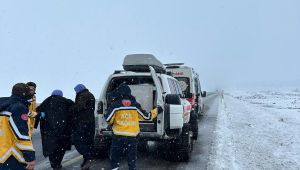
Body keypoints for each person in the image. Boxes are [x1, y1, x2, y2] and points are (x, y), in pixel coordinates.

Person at [104, 83, 158, 170]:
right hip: (132, 136)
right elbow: (146, 117)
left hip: (118, 135)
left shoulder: (115, 105)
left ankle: (115, 168)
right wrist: (157, 110)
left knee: (115, 155)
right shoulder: (135, 105)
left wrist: (112, 121)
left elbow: (108, 119)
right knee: (131, 157)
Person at [35, 90, 74, 170]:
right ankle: (58, 163)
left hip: (49, 131)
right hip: (63, 130)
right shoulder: (66, 101)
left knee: (51, 149)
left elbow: (37, 111)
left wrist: (35, 124)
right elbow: (73, 110)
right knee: (61, 148)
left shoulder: (47, 101)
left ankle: (54, 164)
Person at [0, 83, 35, 170]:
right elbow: (21, 135)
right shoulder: (18, 108)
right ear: (25, 93)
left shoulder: (4, 106)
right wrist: (30, 157)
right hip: (13, 156)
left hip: (2, 154)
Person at [72, 84, 96, 170]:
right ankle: (86, 162)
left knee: (78, 141)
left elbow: (79, 107)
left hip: (83, 122)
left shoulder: (83, 95)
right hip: (90, 122)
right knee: (88, 142)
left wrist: (71, 108)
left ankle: (89, 157)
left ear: (79, 90)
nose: (75, 92)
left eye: (76, 90)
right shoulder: (90, 94)